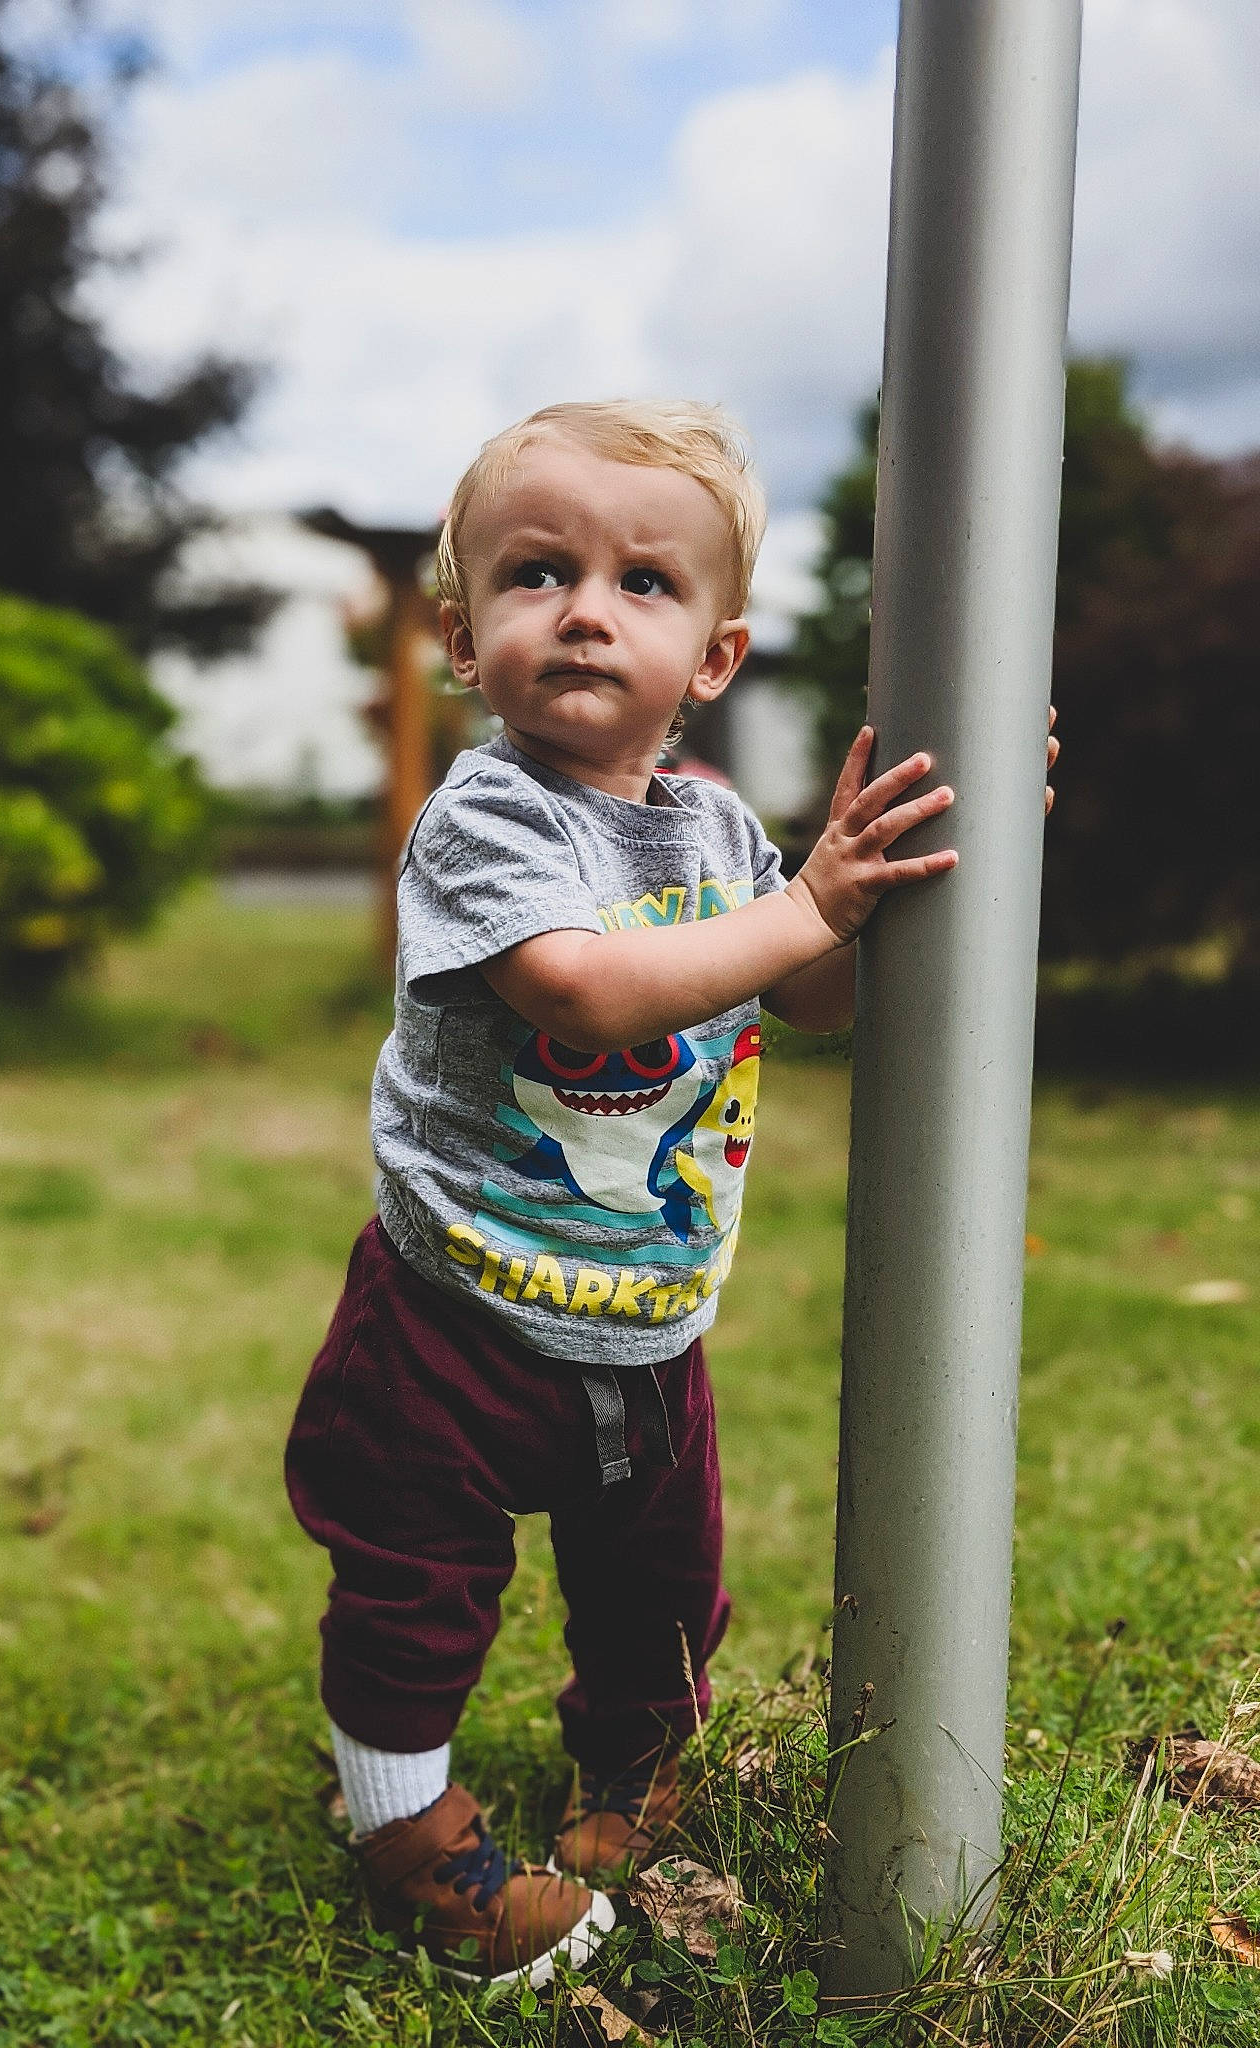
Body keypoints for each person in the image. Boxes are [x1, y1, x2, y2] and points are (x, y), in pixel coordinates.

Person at [285, 398, 1054, 1987]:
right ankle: (409, 1835)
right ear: (461, 632)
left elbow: (815, 998)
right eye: (536, 572)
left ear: (713, 657)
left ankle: (632, 1790)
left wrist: (917, 870)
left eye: (644, 582)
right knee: (417, 1582)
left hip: (642, 1318)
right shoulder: (491, 814)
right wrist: (811, 902)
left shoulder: (715, 827)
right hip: (459, 1310)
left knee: (660, 1597)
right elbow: (589, 994)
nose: (584, 606)